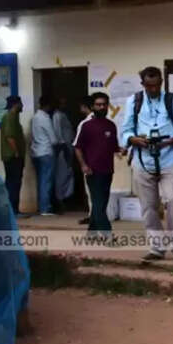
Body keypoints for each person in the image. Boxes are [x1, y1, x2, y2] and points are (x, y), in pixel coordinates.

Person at [120, 66, 173, 263]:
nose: (153, 89)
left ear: (162, 82)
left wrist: (170, 140)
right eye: (149, 85)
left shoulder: (172, 101)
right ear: (143, 84)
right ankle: (157, 248)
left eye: (157, 85)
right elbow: (125, 131)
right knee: (149, 206)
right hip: (142, 160)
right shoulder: (133, 102)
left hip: (168, 158)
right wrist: (133, 139)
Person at [74, 92, 120, 240]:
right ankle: (107, 235)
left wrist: (126, 149)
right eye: (98, 104)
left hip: (108, 170)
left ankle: (91, 233)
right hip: (92, 171)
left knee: (100, 203)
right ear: (93, 106)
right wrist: (83, 166)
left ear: (108, 106)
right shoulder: (86, 126)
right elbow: (77, 147)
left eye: (104, 104)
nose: (101, 107)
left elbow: (114, 147)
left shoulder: (111, 125)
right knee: (99, 202)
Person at [30, 95, 60, 216]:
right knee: (46, 181)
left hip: (36, 152)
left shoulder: (35, 117)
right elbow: (53, 139)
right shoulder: (45, 118)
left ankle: (42, 206)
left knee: (41, 180)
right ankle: (45, 208)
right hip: (46, 152)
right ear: (48, 105)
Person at [0, 95, 27, 216]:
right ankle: (13, 210)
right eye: (20, 103)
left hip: (13, 156)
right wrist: (16, 152)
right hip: (12, 156)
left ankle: (10, 210)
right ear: (16, 104)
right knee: (14, 183)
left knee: (12, 182)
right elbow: (9, 136)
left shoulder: (13, 117)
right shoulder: (10, 117)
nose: (22, 106)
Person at [73, 95, 94, 225]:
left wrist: (83, 164)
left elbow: (77, 146)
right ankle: (96, 215)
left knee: (91, 191)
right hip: (102, 162)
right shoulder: (106, 121)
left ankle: (94, 216)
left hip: (89, 161)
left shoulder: (84, 123)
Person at [52, 96, 75, 212]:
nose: (64, 105)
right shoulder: (57, 116)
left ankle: (65, 199)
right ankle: (60, 201)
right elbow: (58, 134)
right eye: (62, 103)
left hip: (69, 147)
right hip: (63, 149)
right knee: (62, 176)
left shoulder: (63, 115)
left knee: (68, 174)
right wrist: (63, 148)